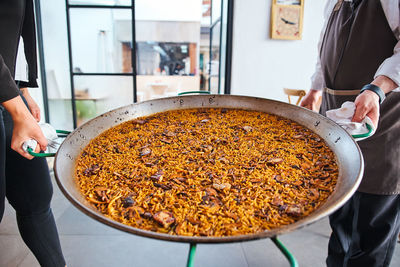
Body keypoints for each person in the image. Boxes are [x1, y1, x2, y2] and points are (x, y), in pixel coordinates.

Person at [300, 0, 400, 266]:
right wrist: (315, 89)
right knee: (340, 216)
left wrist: (377, 89)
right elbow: (325, 46)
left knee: (372, 225)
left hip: (384, 118)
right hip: (337, 119)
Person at [0, 0, 66, 266]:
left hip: (10, 94)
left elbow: (15, 32)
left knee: (37, 196)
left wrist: (23, 92)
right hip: (9, 99)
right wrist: (18, 110)